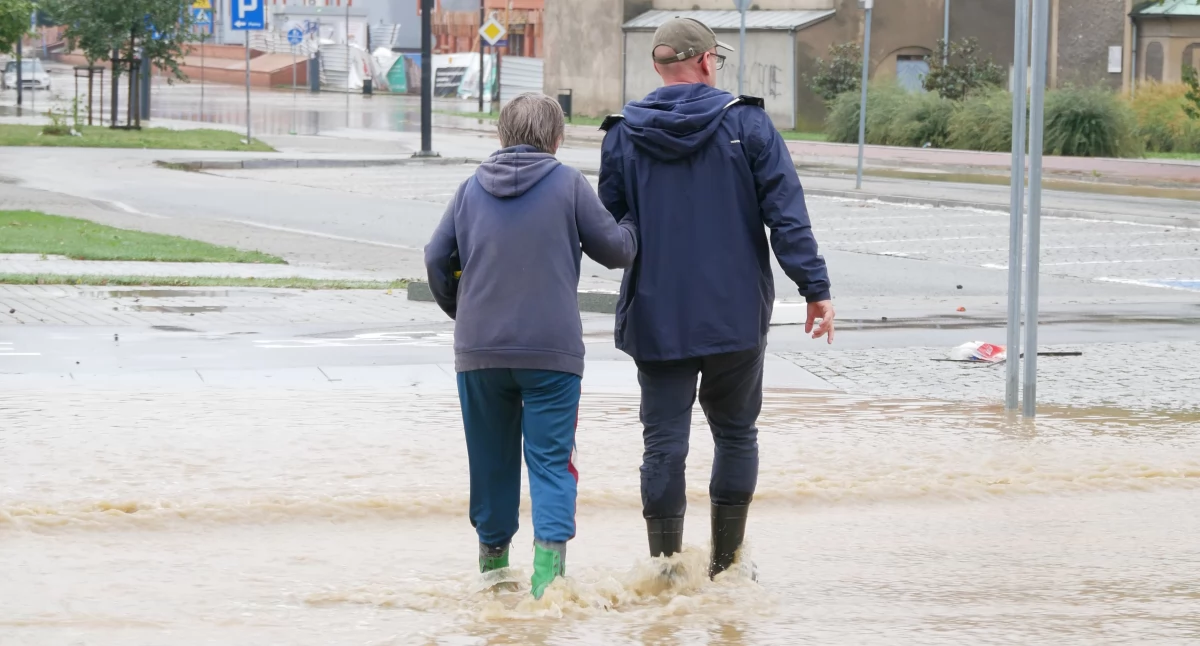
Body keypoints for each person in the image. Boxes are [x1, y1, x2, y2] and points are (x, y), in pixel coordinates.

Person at [598, 18, 835, 578]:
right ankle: (726, 569)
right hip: (734, 314)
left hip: (656, 313)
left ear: (658, 66)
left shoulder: (623, 134)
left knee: (663, 443)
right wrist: (815, 289)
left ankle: (665, 573)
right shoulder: (748, 124)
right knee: (735, 433)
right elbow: (787, 217)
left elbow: (610, 224)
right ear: (706, 61)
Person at [424, 92, 638, 599]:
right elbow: (616, 251)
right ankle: (547, 589)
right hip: (551, 355)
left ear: (501, 135)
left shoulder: (469, 188)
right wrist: (633, 221)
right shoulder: (568, 184)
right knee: (551, 464)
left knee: (490, 463)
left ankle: (493, 579)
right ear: (557, 139)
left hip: (479, 352)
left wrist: (464, 310)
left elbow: (435, 256)